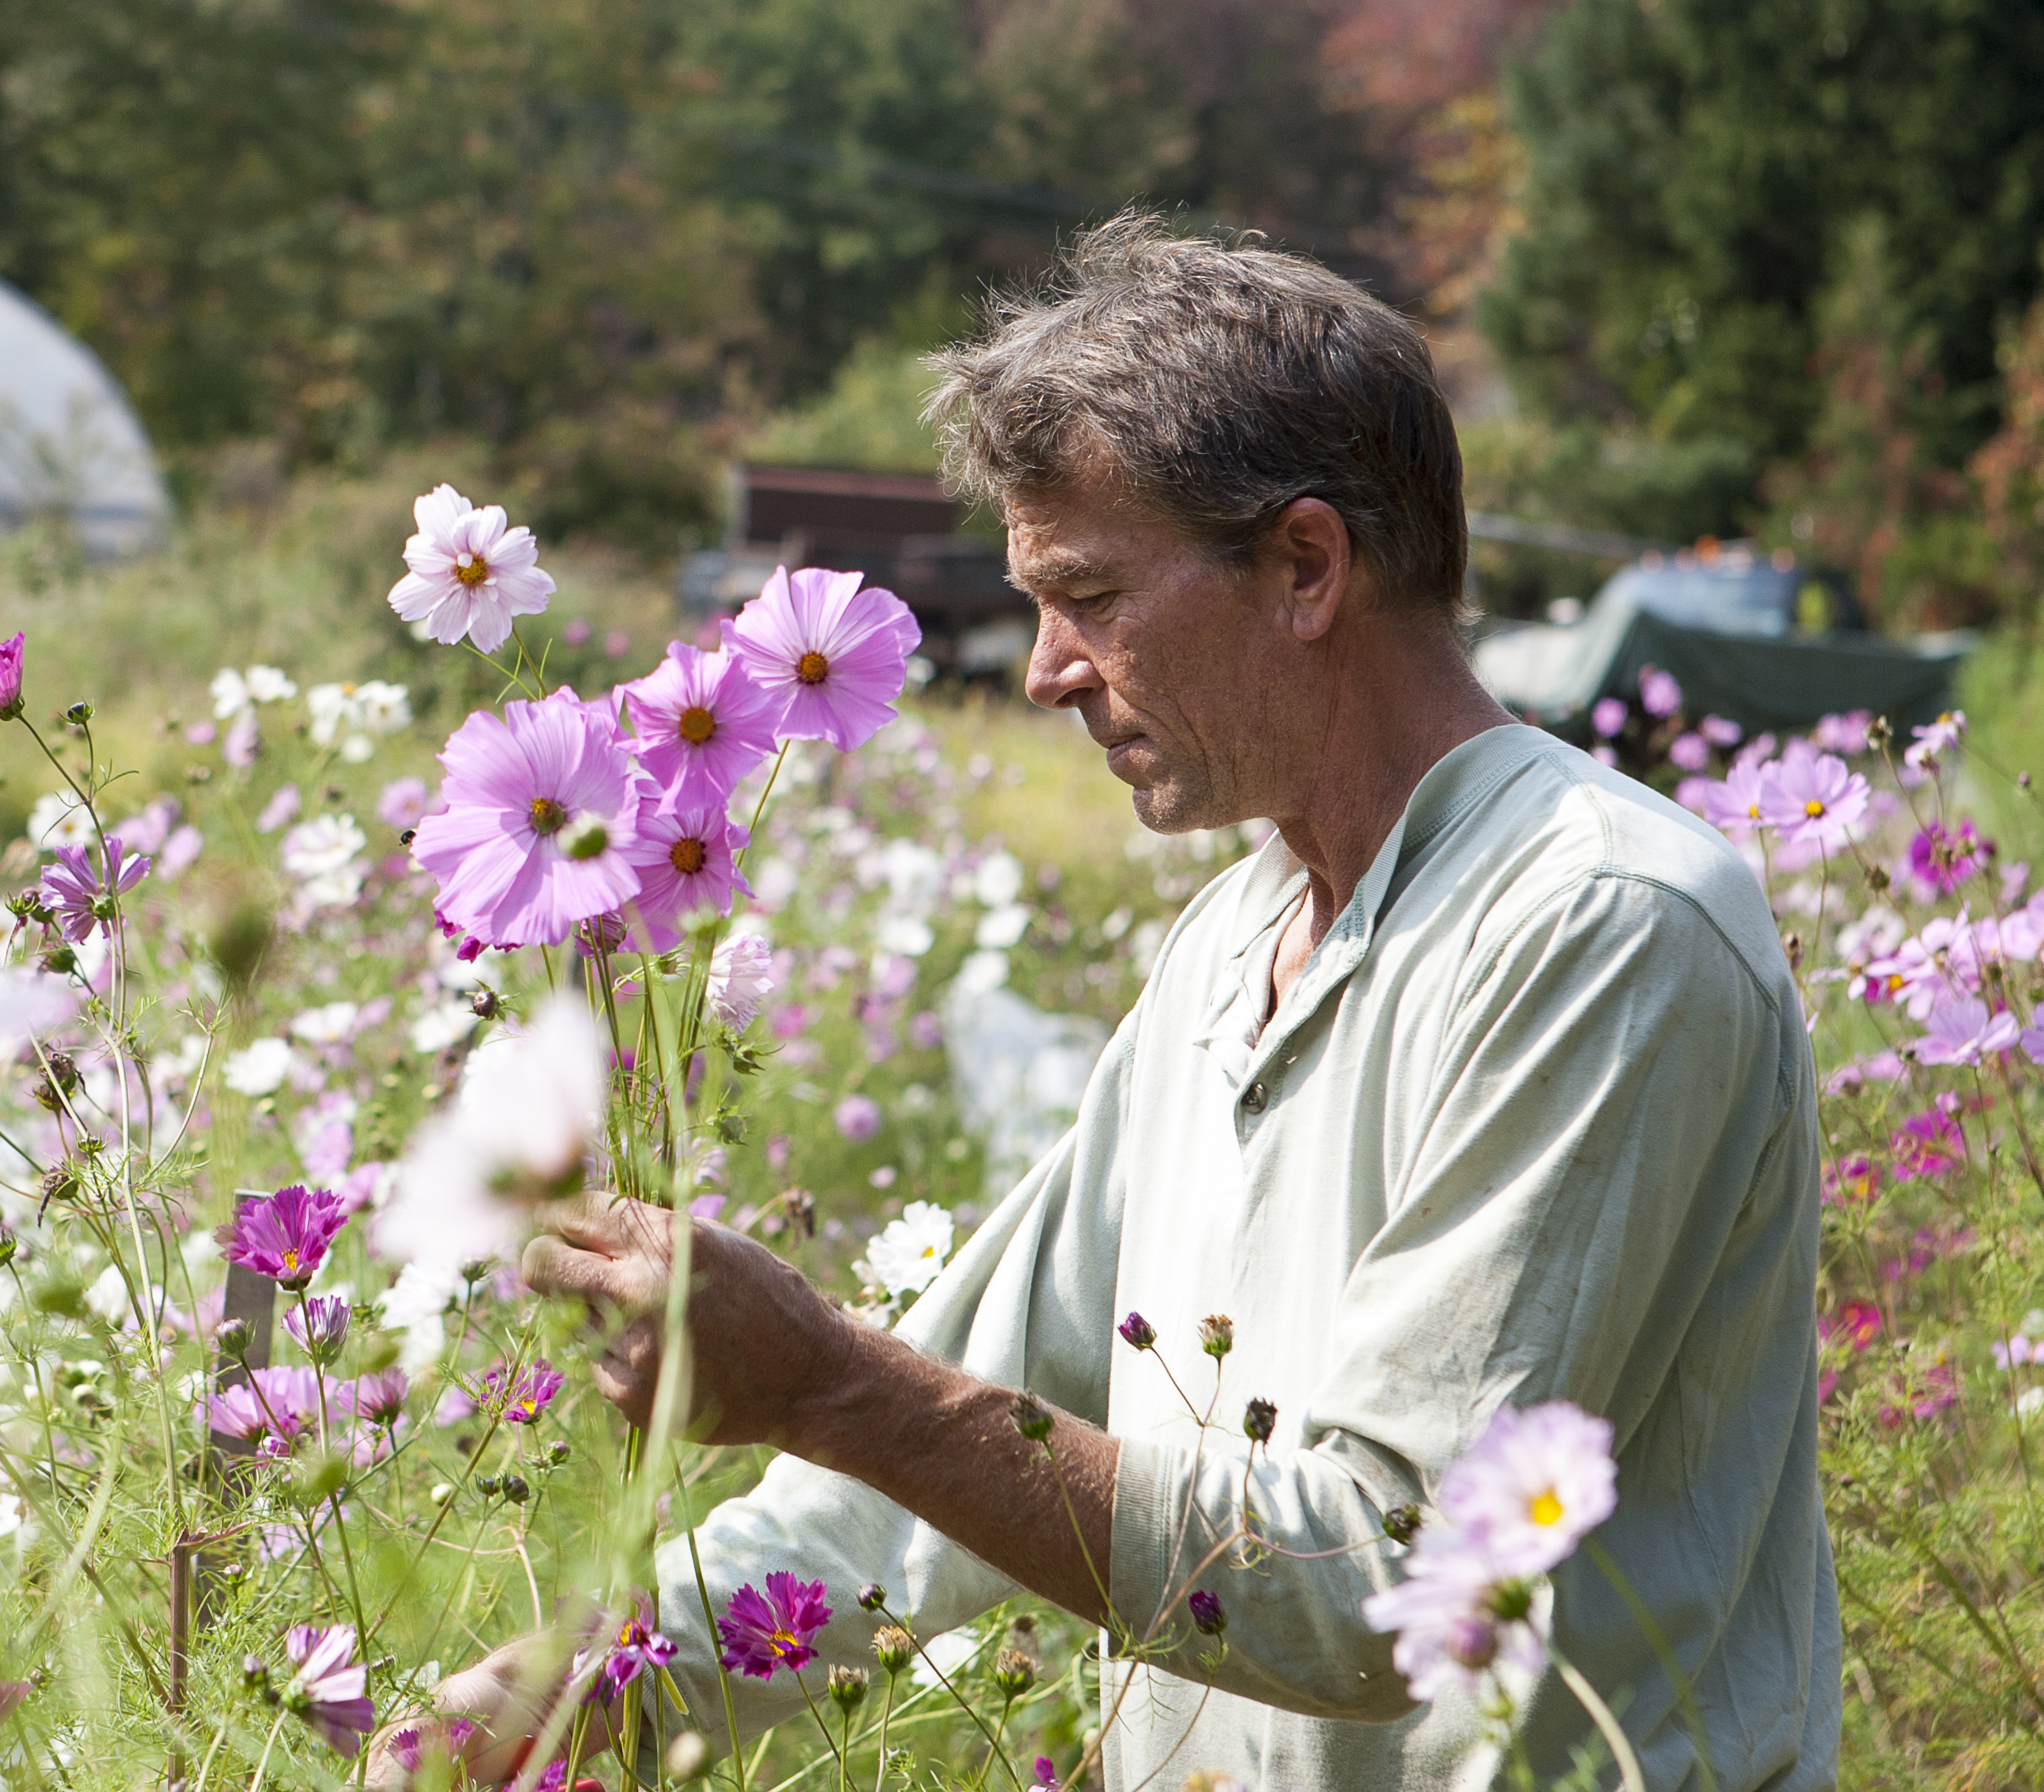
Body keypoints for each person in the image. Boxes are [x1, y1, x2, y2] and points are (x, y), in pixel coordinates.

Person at [386, 215, 1840, 1790]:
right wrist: (583, 1685)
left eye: (1087, 595)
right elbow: (944, 1453)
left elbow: (1383, 1580)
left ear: (1303, 567)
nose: (1045, 671)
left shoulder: (1598, 924)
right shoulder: (1233, 949)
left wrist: (825, 1381)